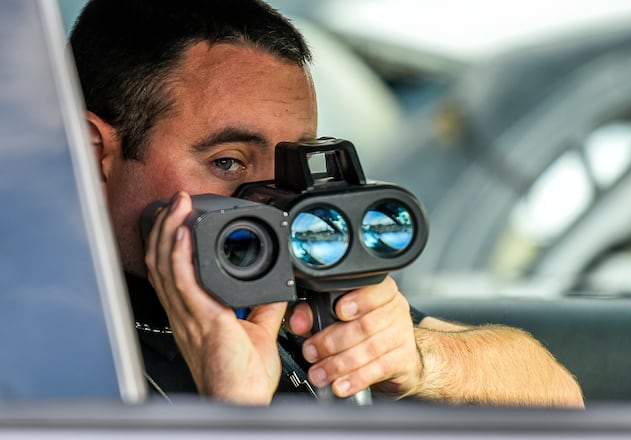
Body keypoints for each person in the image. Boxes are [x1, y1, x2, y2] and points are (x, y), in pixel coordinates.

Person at [69, 0, 584, 407]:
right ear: (95, 156)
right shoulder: (41, 351)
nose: (279, 204)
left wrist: (416, 360)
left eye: (294, 161)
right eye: (228, 162)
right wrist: (233, 408)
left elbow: (559, 396)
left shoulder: (297, 281)